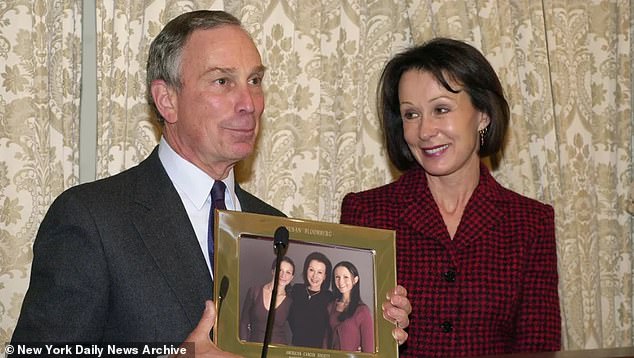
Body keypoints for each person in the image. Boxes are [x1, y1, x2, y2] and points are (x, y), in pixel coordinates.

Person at [11, 9, 410, 356]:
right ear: (167, 100)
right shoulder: (92, 219)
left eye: (254, 81)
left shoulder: (276, 229)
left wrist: (366, 324)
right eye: (222, 81)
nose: (249, 103)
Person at [340, 37, 561, 357]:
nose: (425, 131)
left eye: (440, 109)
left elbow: (539, 348)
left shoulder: (530, 223)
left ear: (483, 114)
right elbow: (345, 337)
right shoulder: (366, 213)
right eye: (411, 115)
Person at [240, 257, 295, 344]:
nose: (283, 275)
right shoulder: (254, 291)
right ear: (273, 271)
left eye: (288, 272)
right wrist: (244, 344)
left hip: (278, 350)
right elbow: (244, 321)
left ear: (292, 277)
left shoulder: (290, 302)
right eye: (280, 270)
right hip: (254, 347)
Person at [324, 261, 373, 353]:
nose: (341, 281)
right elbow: (325, 341)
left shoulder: (362, 311)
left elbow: (369, 349)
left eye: (345, 277)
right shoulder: (331, 306)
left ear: (355, 280)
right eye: (337, 277)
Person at [288, 251, 334, 348]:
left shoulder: (330, 298)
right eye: (311, 270)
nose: (314, 276)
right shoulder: (296, 290)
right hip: (294, 348)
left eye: (320, 272)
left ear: (325, 276)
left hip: (319, 352)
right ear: (306, 270)